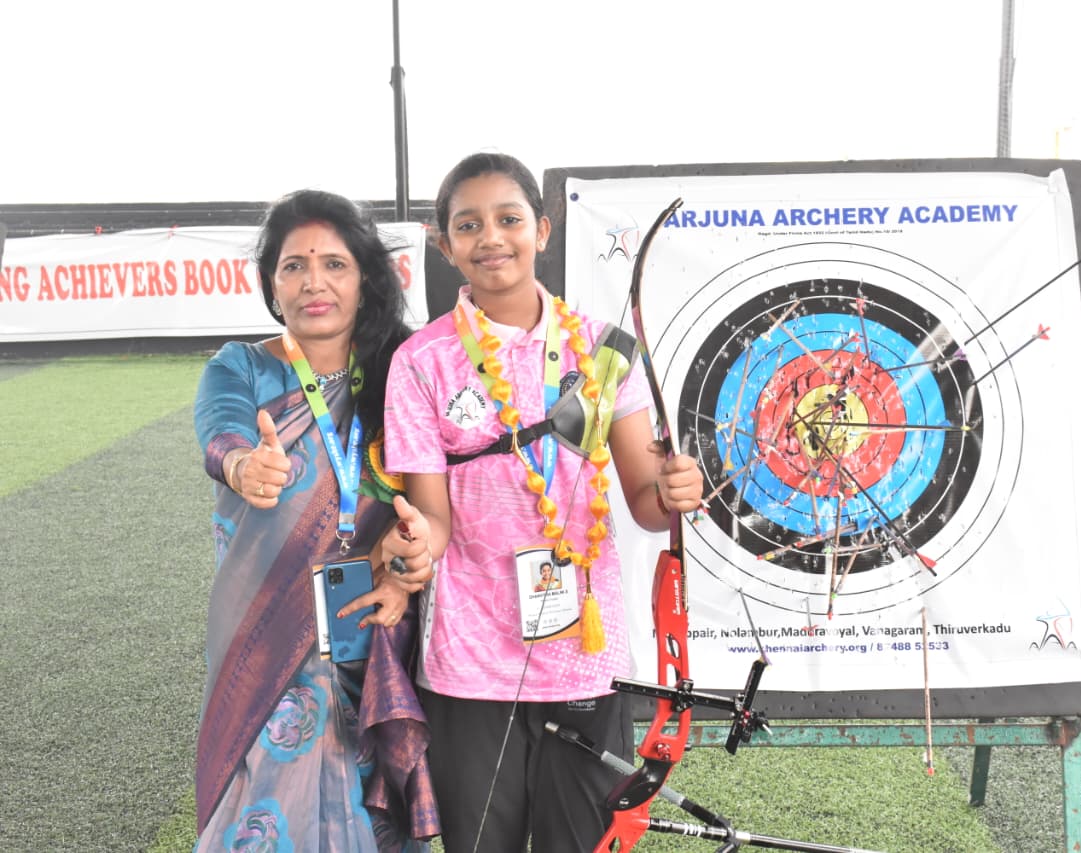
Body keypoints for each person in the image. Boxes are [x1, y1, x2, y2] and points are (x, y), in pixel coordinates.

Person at [380, 153, 704, 852]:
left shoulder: (603, 349)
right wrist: (415, 544)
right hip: (468, 662)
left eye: (509, 219)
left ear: (542, 230)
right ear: (444, 245)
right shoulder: (421, 361)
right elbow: (432, 518)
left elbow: (647, 502)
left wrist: (674, 491)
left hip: (582, 655)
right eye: (468, 225)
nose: (491, 238)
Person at [193, 189, 439, 851]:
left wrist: (409, 562)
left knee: (373, 802)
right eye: (293, 266)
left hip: (375, 627)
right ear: (272, 284)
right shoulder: (240, 367)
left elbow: (436, 500)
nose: (313, 282)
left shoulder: (402, 370)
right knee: (261, 801)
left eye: (334, 264)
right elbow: (221, 432)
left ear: (366, 278)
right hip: (265, 632)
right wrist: (243, 465)